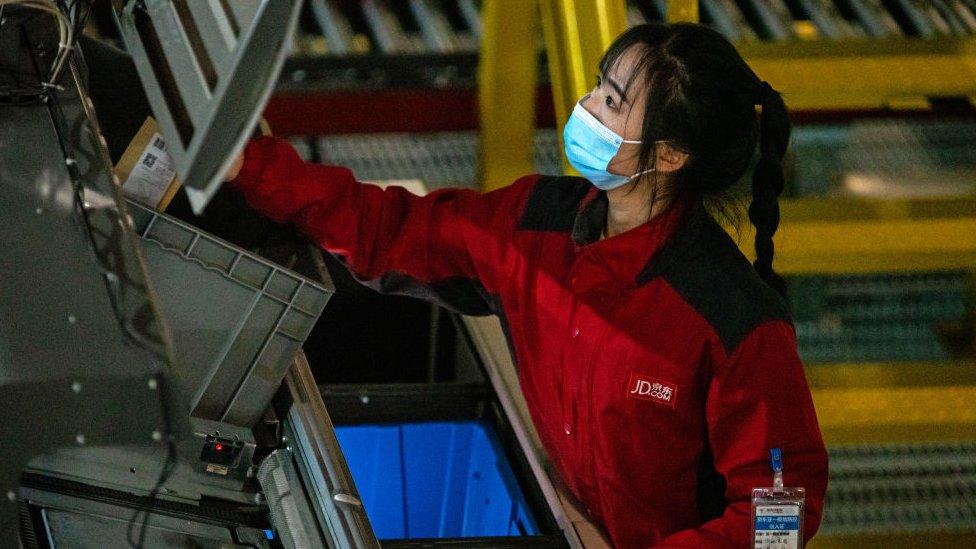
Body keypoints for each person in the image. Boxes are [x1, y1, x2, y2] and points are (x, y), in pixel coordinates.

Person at [225, 22, 828, 549]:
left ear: (668, 155)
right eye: (598, 85)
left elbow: (782, 511)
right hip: (567, 519)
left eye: (611, 102)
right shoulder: (537, 227)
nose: (586, 105)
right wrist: (248, 164)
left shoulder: (734, 322)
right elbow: (391, 230)